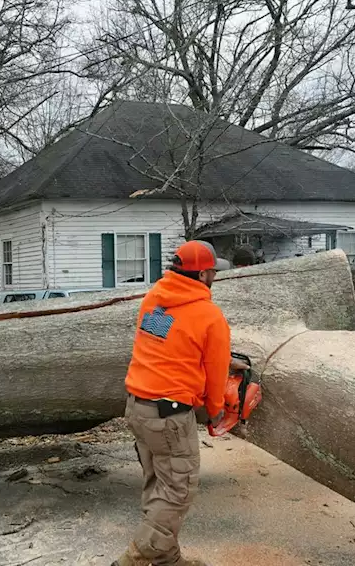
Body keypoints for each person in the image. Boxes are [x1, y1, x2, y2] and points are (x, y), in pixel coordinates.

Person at [114, 240, 238, 566]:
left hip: (138, 407)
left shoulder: (155, 299)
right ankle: (132, 560)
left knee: (158, 485)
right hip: (169, 415)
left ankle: (168, 559)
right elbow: (216, 374)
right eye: (212, 272)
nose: (214, 277)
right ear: (204, 273)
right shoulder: (209, 315)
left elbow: (170, 343)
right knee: (178, 491)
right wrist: (216, 412)